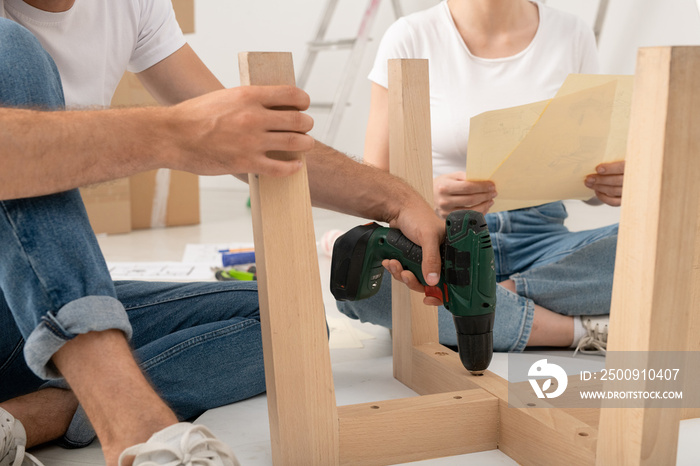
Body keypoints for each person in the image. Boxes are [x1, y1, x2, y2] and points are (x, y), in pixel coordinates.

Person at [0, 1, 444, 465]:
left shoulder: (130, 5)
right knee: (9, 49)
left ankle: (26, 419)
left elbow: (251, 140)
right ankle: (134, 424)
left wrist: (397, 199)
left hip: (26, 321)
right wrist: (173, 133)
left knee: (280, 323)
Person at [336, 0, 624, 355]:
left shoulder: (572, 33)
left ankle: (482, 297)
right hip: (441, 241)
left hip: (541, 239)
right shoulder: (409, 36)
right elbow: (374, 185)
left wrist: (608, 183)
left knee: (675, 242)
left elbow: (588, 172)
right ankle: (574, 328)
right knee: (361, 288)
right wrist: (423, 196)